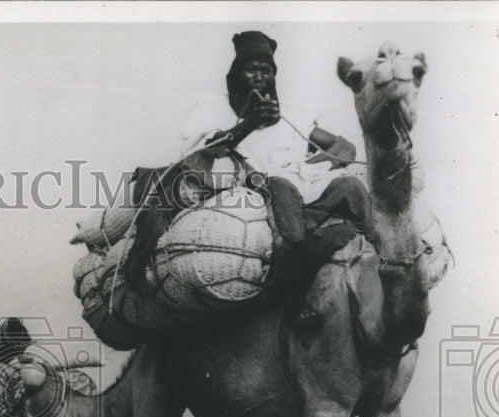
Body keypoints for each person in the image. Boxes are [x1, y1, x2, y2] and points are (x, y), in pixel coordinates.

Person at [132, 31, 371, 325]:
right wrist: (248, 124)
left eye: (266, 71)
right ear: (235, 76)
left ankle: (376, 269)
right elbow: (199, 154)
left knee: (351, 187)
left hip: (303, 195)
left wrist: (311, 163)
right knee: (281, 188)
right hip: (250, 196)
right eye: (251, 70)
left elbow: (344, 148)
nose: (259, 77)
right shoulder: (213, 110)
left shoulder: (291, 118)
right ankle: (294, 286)